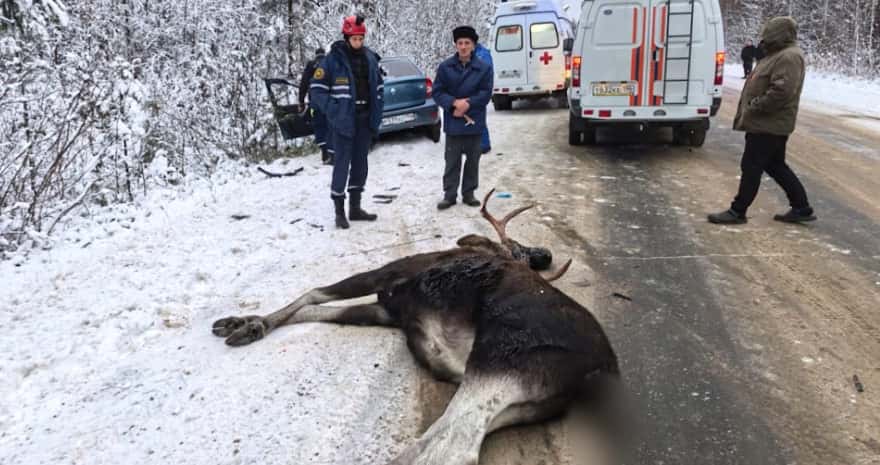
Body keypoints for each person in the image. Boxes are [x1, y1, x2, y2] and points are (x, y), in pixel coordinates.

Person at [708, 17, 816, 225]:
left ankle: (737, 211)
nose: (764, 36)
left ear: (779, 34)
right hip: (768, 122)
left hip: (768, 123)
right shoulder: (776, 54)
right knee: (775, 165)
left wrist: (755, 106)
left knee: (751, 166)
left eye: (769, 33)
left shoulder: (789, 57)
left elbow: (782, 91)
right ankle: (801, 207)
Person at [309, 15, 384, 229]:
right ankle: (339, 212)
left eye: (361, 38)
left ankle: (355, 208)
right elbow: (317, 90)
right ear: (346, 37)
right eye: (355, 39)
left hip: (364, 119)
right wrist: (333, 110)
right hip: (343, 121)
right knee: (341, 164)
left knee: (361, 164)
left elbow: (379, 88)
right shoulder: (332, 60)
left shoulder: (370, 58)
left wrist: (377, 115)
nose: (358, 43)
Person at [433, 25, 493, 210]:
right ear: (456, 45)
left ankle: (469, 193)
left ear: (473, 45)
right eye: (460, 43)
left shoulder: (483, 68)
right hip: (453, 122)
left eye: (467, 43)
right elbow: (437, 91)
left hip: (474, 122)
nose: (464, 46)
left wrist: (468, 104)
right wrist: (453, 103)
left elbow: (485, 93)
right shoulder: (445, 67)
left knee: (473, 160)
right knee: (452, 161)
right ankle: (449, 195)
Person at [299, 48, 334, 165]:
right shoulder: (330, 63)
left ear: (316, 55)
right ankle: (332, 154)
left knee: (319, 126)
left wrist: (301, 102)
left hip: (315, 102)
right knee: (330, 126)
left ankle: (324, 153)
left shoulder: (310, 65)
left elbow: (303, 84)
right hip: (329, 101)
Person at [474, 41, 494, 154]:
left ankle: (484, 145)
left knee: (479, 117)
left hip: (480, 90)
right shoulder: (477, 53)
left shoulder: (482, 54)